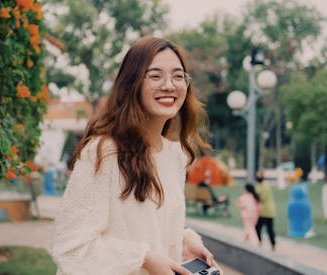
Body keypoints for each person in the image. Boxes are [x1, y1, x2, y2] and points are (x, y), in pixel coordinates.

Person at [50, 37, 222, 275]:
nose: (169, 85)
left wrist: (184, 241)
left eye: (178, 76)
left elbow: (145, 226)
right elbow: (70, 246)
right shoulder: (104, 151)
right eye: (155, 76)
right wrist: (143, 259)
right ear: (132, 84)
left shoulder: (175, 156)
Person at [254, 170, 277, 250]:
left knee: (268, 229)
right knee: (258, 227)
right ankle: (260, 242)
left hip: (267, 211)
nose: (258, 177)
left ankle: (272, 244)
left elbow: (262, 198)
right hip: (261, 211)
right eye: (257, 175)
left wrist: (256, 196)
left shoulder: (265, 186)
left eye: (260, 175)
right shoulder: (257, 185)